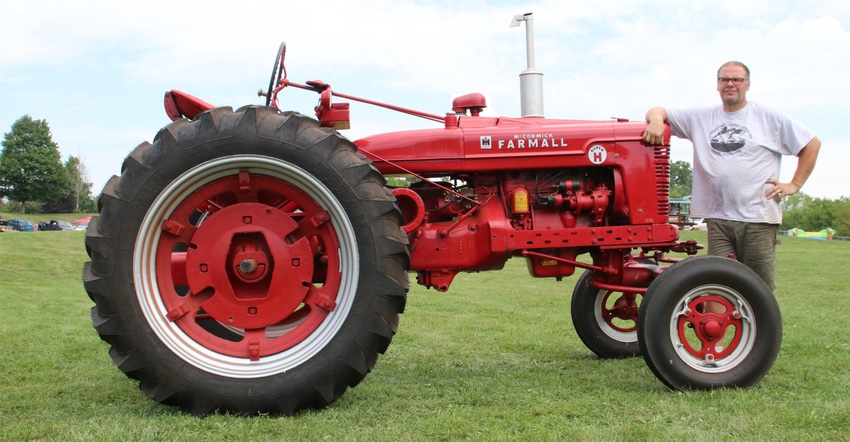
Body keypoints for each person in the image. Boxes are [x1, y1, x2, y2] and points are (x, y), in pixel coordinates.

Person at [643, 61, 821, 291]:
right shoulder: (702, 117)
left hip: (757, 217)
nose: (730, 84)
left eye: (737, 80)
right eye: (724, 79)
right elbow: (658, 110)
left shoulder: (768, 117)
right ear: (717, 85)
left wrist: (795, 184)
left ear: (748, 85)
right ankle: (714, 326)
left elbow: (811, 143)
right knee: (716, 283)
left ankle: (760, 327)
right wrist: (656, 121)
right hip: (718, 218)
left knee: (757, 289)